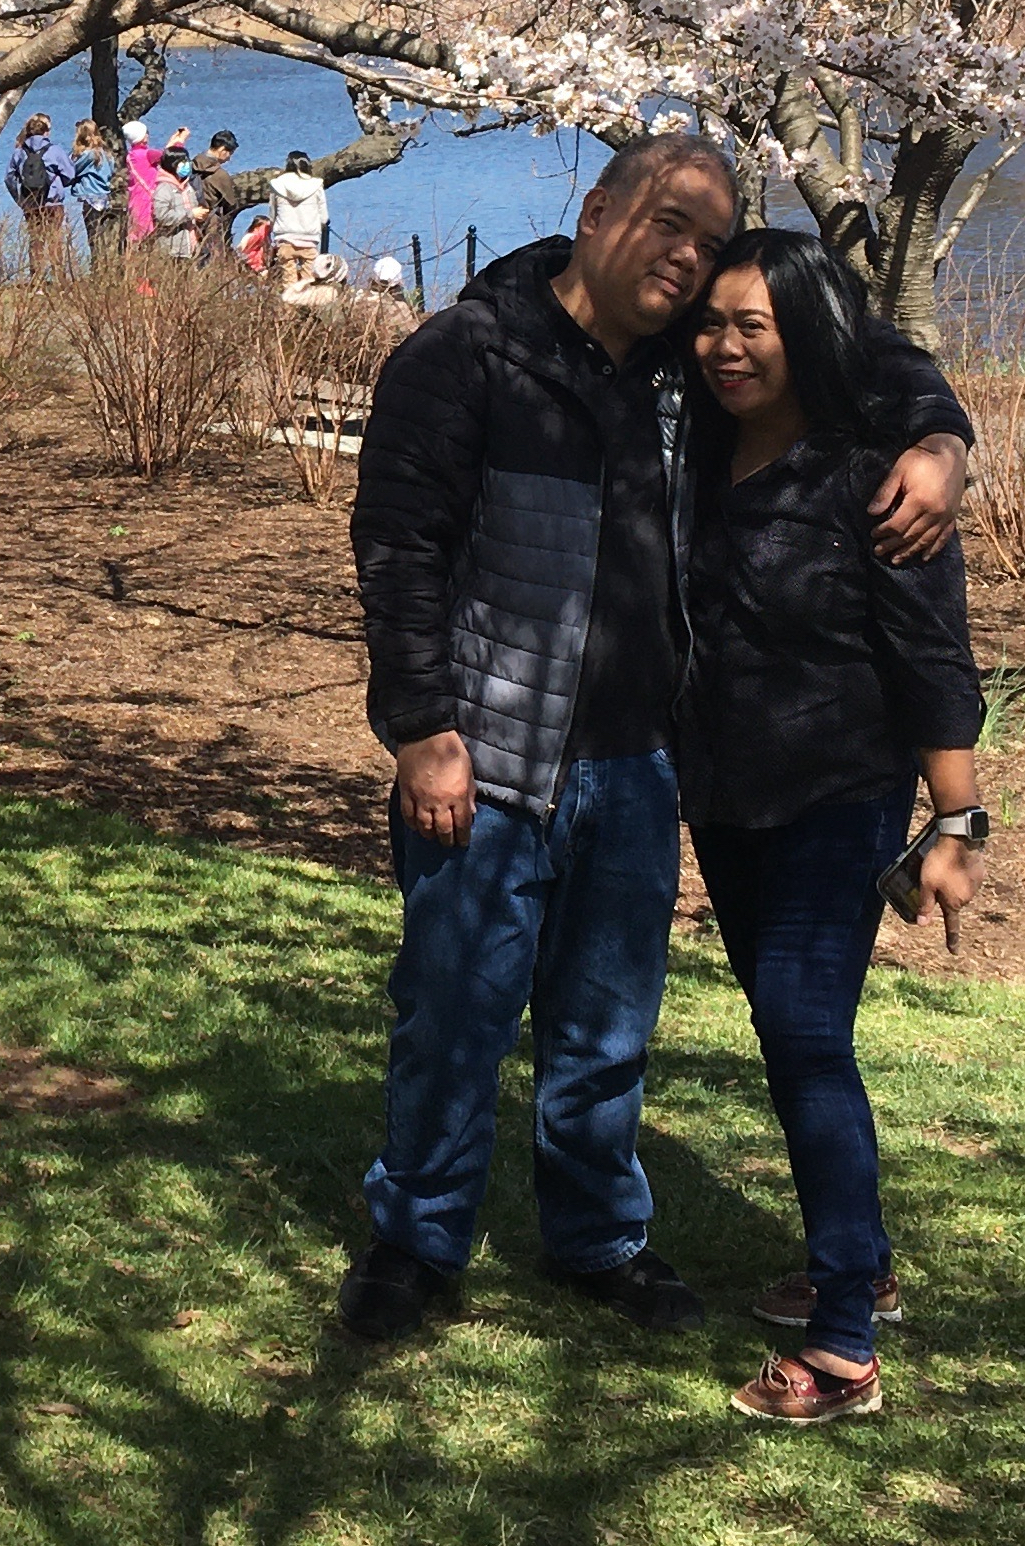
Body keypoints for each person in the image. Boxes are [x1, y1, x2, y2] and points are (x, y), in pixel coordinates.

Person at [336, 138, 974, 1348]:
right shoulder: (467, 355)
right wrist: (422, 729)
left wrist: (939, 441)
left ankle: (596, 1237)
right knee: (453, 1010)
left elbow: (868, 353)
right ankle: (414, 1240)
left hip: (636, 763)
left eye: (707, 237)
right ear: (596, 210)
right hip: (485, 754)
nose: (685, 257)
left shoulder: (685, 373)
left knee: (604, 1025)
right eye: (667, 223)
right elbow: (399, 550)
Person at [678, 230, 987, 1426]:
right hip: (727, 793)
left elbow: (930, 658)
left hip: (837, 791)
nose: (723, 345)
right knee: (781, 1026)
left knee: (807, 1033)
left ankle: (847, 1341)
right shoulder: (697, 446)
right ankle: (857, 1253)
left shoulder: (876, 475)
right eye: (709, 321)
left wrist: (956, 818)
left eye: (752, 324)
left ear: (806, 329)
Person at [3, 111, 76, 277]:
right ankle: (59, 279)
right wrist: (58, 185)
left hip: (30, 203)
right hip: (53, 203)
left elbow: (8, 178)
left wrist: (19, 198)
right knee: (55, 239)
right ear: (46, 132)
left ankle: (36, 280)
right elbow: (70, 174)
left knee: (36, 241)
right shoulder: (55, 150)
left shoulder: (19, 152)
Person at [265, 149, 332, 285]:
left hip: (285, 239)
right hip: (309, 239)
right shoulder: (316, 185)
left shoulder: (277, 184)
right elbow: (324, 218)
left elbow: (272, 215)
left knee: (288, 283)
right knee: (307, 284)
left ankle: (288, 306)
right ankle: (304, 306)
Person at [72, 120, 121, 266]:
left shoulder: (88, 155)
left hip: (91, 198)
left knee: (93, 237)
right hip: (104, 197)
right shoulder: (107, 154)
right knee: (104, 237)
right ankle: (107, 266)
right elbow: (111, 172)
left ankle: (96, 267)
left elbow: (72, 170)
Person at [148, 145, 205, 260]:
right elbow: (162, 217)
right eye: (183, 162)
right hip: (172, 250)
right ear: (173, 164)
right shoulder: (164, 188)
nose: (187, 164)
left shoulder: (187, 186)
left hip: (190, 247)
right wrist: (190, 214)